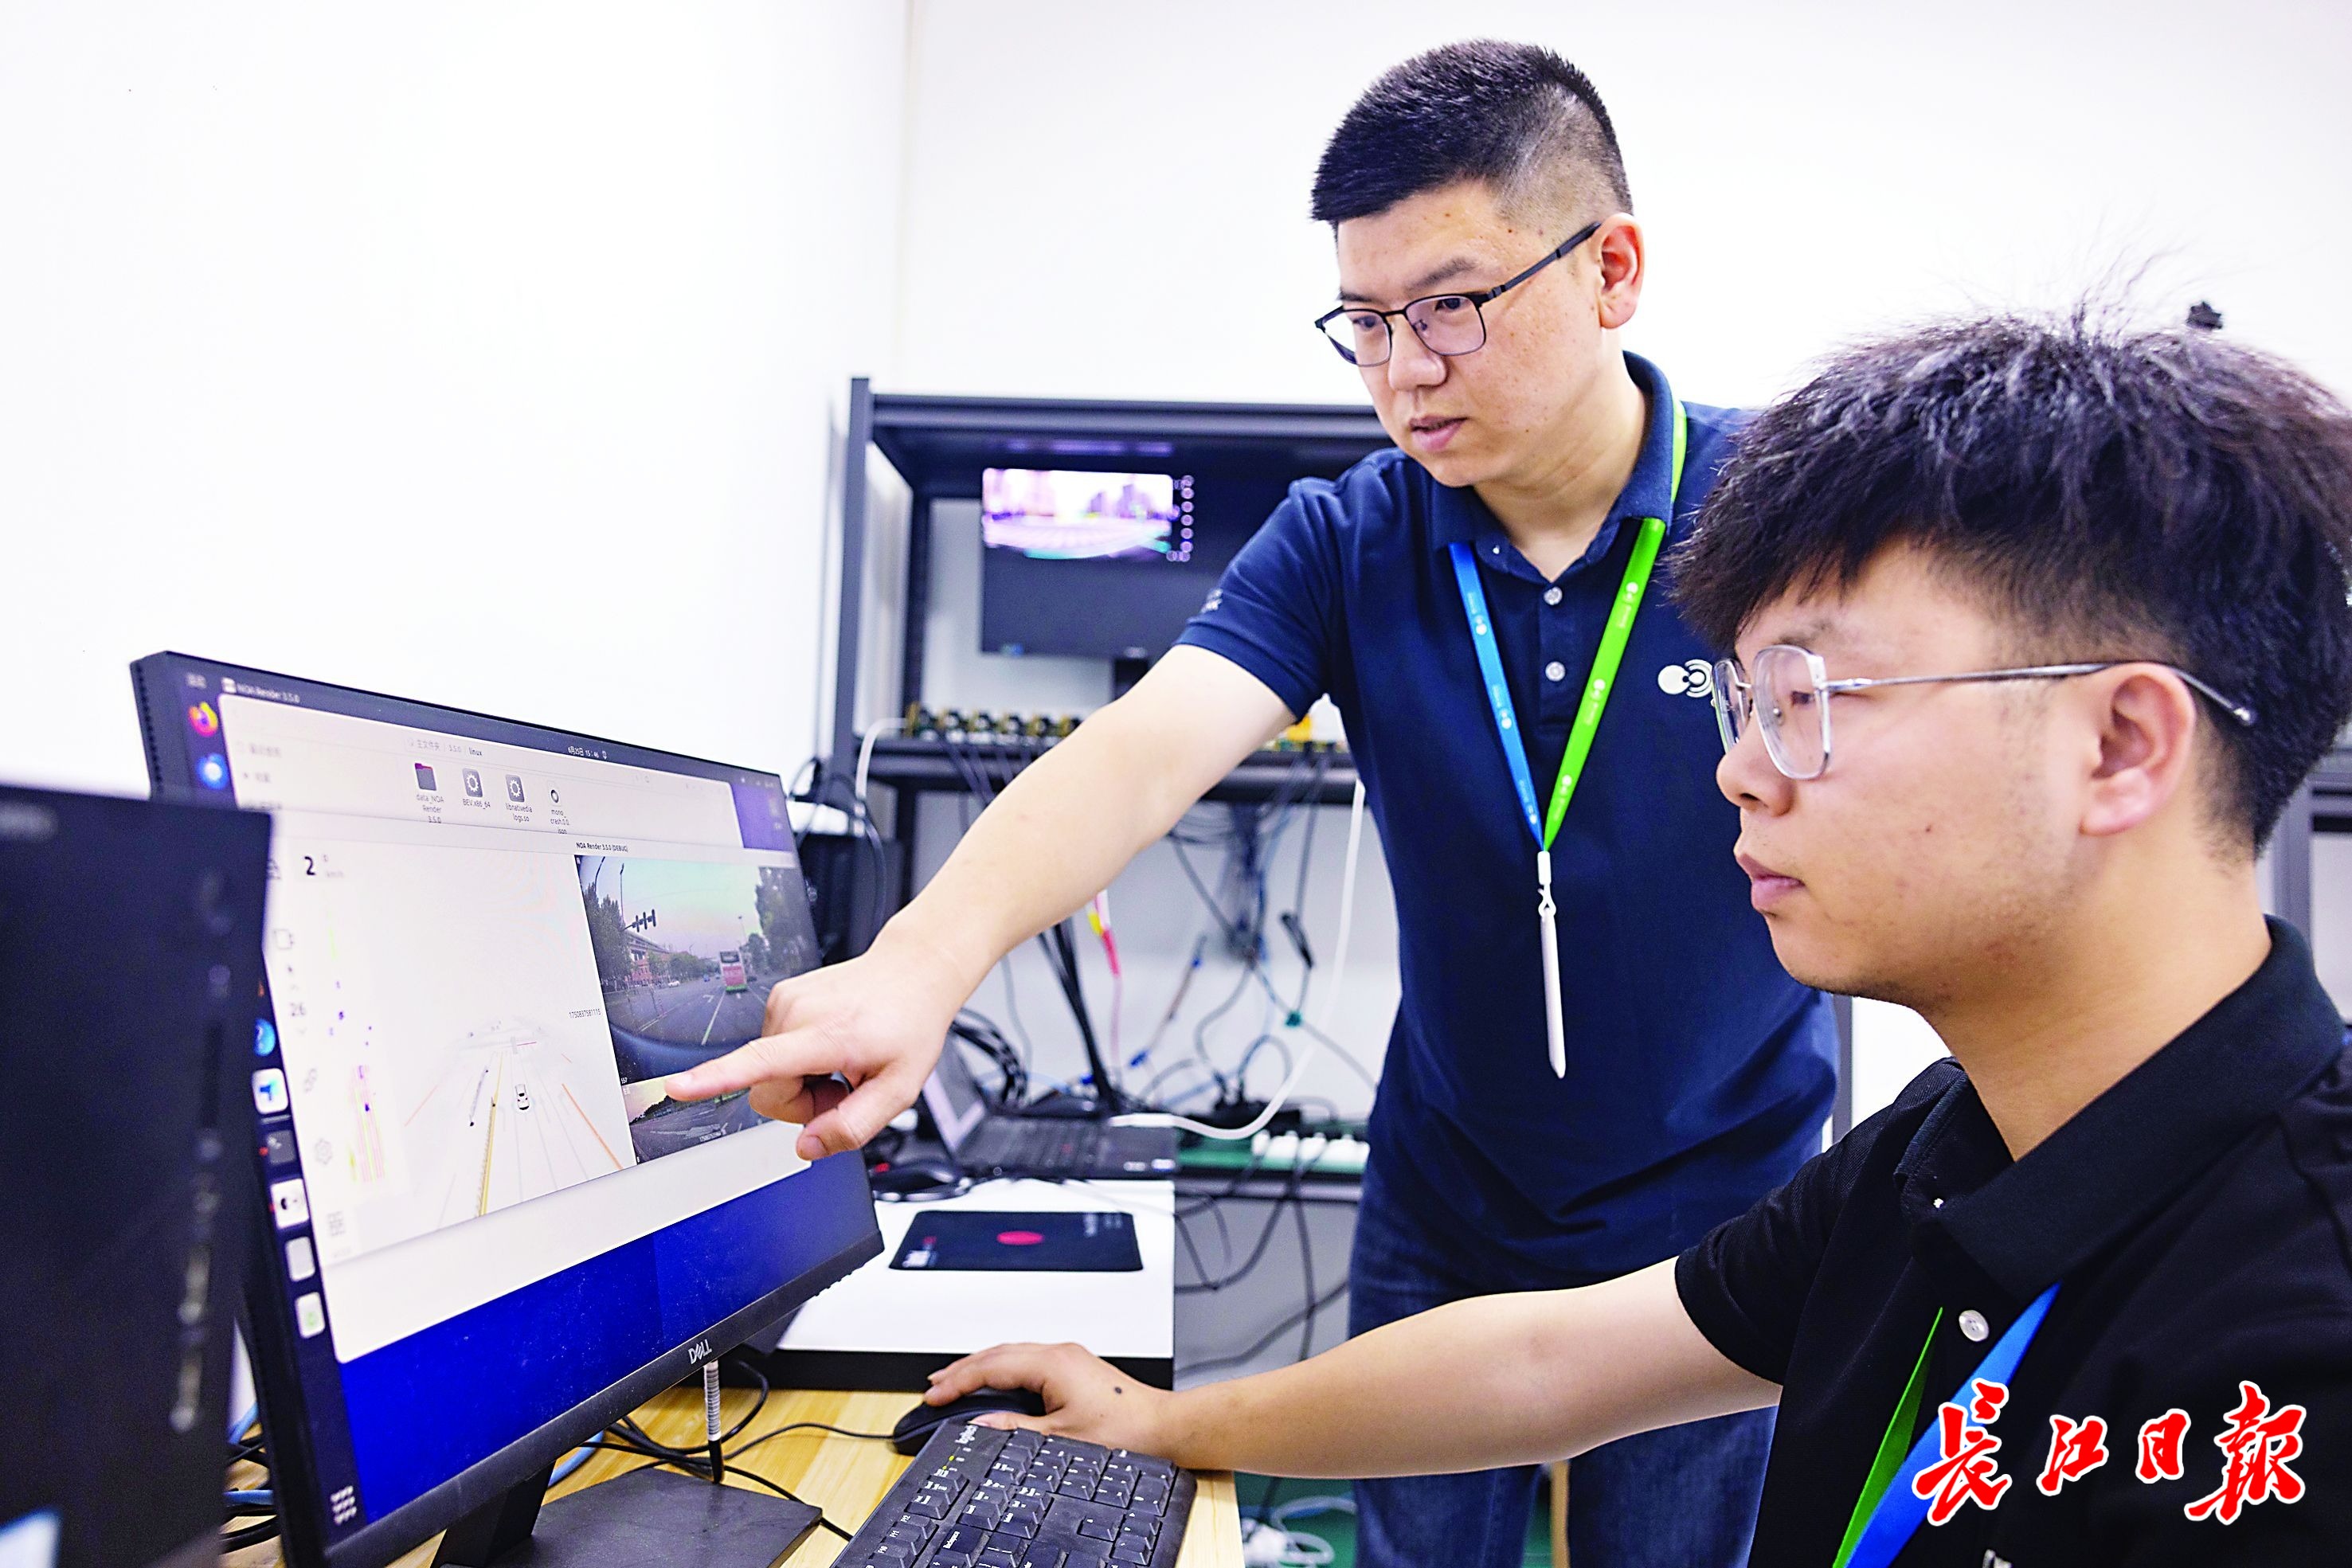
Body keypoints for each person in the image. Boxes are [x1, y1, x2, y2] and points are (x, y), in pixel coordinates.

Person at [918, 310, 2352, 1565]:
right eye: (1746, 701)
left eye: (1808, 696)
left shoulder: (2303, 1335)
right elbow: (1548, 1364)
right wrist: (1164, 1420)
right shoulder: (1934, 1156)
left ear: (2117, 744)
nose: (1737, 770)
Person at [675, 41, 1831, 1564]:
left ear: (1610, 269)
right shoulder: (1348, 538)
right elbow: (1140, 753)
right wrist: (919, 963)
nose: (1403, 372)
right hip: (1452, 1192)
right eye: (1365, 323)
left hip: (1725, 1198)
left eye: (1451, 307)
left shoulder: (1787, 508)